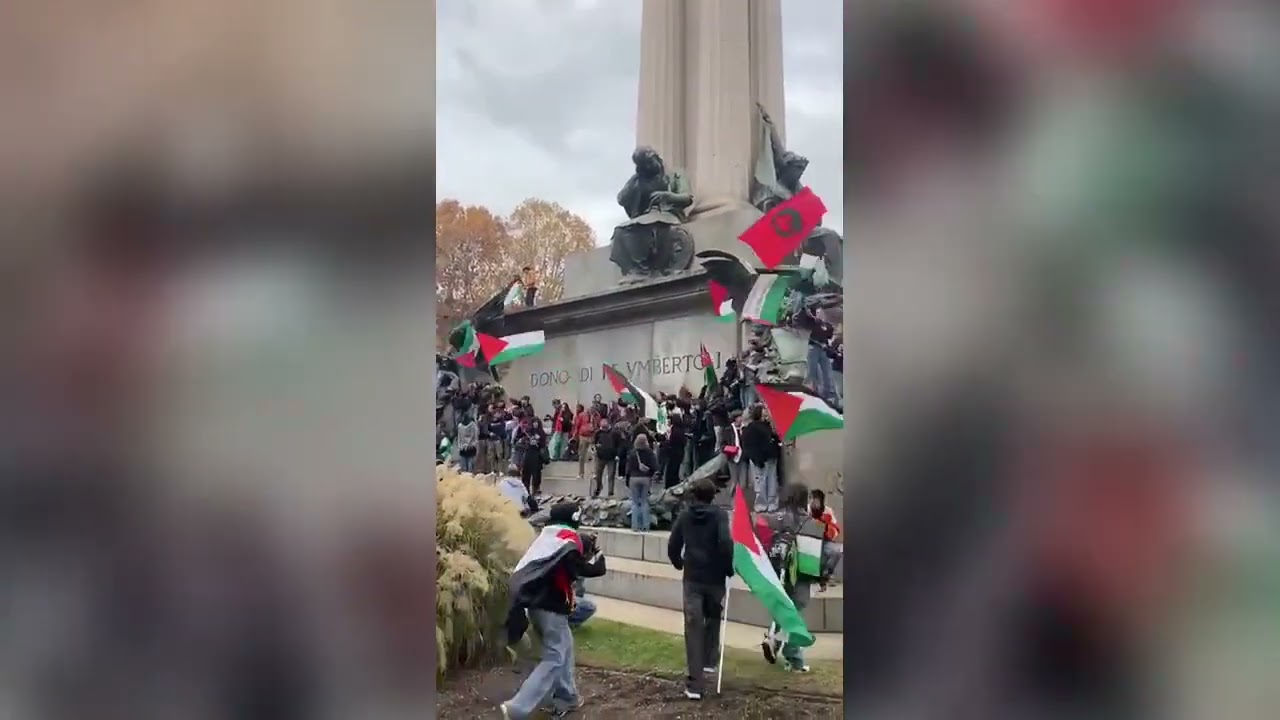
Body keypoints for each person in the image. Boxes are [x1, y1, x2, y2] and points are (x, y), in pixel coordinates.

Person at [502, 503, 606, 719]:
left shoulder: (546, 538)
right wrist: (598, 555)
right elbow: (589, 569)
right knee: (555, 657)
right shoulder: (567, 541)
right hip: (552, 609)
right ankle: (518, 707)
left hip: (536, 606)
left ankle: (567, 697)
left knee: (565, 648)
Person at [667, 478, 735, 700]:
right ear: (713, 496)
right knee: (713, 618)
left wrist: (679, 563)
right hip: (715, 578)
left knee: (693, 627)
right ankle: (709, 661)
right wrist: (728, 568)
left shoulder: (685, 516)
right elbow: (725, 543)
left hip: (693, 578)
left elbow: (673, 544)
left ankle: (695, 684)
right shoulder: (719, 515)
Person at [761, 482, 815, 672]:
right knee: (794, 614)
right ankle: (793, 658)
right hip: (801, 574)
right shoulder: (809, 522)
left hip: (777, 571)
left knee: (782, 609)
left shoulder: (775, 518)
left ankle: (774, 641)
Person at [742, 405, 781, 511]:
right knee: (762, 482)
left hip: (770, 457)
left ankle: (769, 503)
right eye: (764, 411)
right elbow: (749, 445)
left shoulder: (766, 426)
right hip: (760, 458)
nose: (766, 412)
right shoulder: (752, 427)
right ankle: (763, 503)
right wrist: (756, 459)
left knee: (771, 481)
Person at [627, 435, 658, 532]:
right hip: (645, 478)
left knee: (635, 502)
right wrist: (650, 475)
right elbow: (655, 467)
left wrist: (627, 481)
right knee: (644, 502)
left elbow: (628, 468)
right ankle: (646, 526)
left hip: (634, 478)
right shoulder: (649, 452)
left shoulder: (632, 453)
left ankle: (635, 526)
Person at [514, 415, 547, 495]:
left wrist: (538, 442)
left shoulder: (541, 432)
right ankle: (526, 490)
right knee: (526, 473)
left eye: (537, 422)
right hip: (528, 454)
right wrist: (527, 442)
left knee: (536, 474)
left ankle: (536, 489)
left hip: (537, 455)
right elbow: (518, 441)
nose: (535, 424)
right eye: (534, 422)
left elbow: (543, 444)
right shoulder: (527, 431)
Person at [719, 410, 750, 494]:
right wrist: (729, 449)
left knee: (743, 483)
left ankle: (740, 498)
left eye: (741, 416)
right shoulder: (728, 430)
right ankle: (733, 498)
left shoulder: (745, 429)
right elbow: (722, 444)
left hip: (743, 457)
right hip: (732, 457)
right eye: (739, 417)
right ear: (735, 418)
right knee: (734, 481)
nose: (741, 418)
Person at [591, 419, 622, 498]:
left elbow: (619, 444)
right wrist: (595, 448)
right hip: (600, 456)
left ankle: (610, 492)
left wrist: (618, 455)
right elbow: (594, 442)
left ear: (608, 425)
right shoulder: (598, 433)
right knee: (598, 474)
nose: (603, 429)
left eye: (604, 427)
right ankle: (598, 487)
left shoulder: (615, 433)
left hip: (612, 457)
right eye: (602, 427)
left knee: (611, 475)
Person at [572, 404, 595, 481]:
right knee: (583, 455)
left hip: (589, 436)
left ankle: (590, 473)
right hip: (585, 436)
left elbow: (577, 426)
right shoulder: (583, 415)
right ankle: (583, 473)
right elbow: (577, 425)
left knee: (589, 456)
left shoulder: (595, 416)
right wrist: (574, 435)